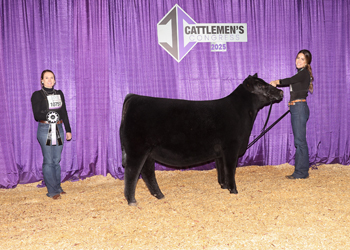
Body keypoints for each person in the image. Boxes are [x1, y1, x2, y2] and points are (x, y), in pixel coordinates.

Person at [270, 49, 314, 179]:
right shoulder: (302, 73)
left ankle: (301, 172)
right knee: (299, 141)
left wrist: (276, 82)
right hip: (296, 107)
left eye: (302, 59)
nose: (299, 61)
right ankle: (301, 171)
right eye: (298, 58)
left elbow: (289, 80)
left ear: (306, 63)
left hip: (299, 108)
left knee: (300, 141)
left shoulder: (303, 73)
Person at [31, 70, 72, 199]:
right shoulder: (37, 95)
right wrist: (49, 112)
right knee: (48, 161)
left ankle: (58, 187)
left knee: (56, 160)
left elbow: (63, 112)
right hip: (45, 128)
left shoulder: (59, 93)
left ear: (54, 80)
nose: (49, 80)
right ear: (42, 80)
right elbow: (37, 115)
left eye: (52, 78)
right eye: (46, 78)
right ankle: (52, 191)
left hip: (59, 128)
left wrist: (68, 129)